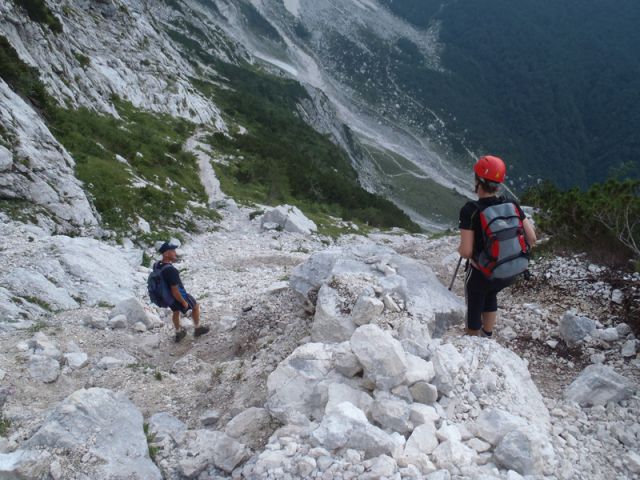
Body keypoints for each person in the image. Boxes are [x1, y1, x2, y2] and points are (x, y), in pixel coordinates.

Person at [458, 155, 537, 337]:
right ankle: (488, 334)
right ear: (498, 184)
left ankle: (472, 339)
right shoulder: (511, 204)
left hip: (481, 273)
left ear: (477, 181)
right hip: (508, 271)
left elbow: (466, 251)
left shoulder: (470, 210)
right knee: (491, 293)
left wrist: (460, 249)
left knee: (475, 303)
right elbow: (532, 237)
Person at [157, 242, 210, 342]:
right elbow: (175, 290)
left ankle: (178, 332)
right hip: (177, 296)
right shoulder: (171, 271)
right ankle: (198, 328)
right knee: (195, 306)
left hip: (167, 297)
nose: (175, 253)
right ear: (166, 254)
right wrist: (183, 301)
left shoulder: (158, 265)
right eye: (172, 251)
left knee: (175, 311)